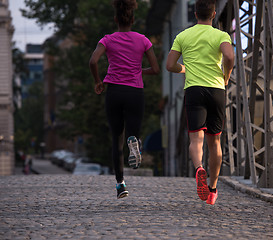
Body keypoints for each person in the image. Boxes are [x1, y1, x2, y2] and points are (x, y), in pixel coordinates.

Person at [89, 0, 160, 199]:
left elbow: (93, 61)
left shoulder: (107, 40)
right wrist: (138, 70)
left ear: (115, 19)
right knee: (132, 133)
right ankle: (134, 139)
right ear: (133, 19)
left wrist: (98, 81)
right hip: (135, 92)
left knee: (115, 138)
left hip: (114, 92)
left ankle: (120, 185)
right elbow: (155, 69)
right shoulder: (143, 40)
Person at [166, 0, 234, 205]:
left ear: (195, 14)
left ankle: (199, 169)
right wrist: (226, 75)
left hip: (194, 90)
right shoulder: (221, 35)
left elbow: (170, 65)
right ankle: (212, 189)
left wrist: (185, 69)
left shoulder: (183, 36)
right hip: (216, 90)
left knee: (196, 140)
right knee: (215, 142)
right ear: (214, 15)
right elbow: (229, 56)